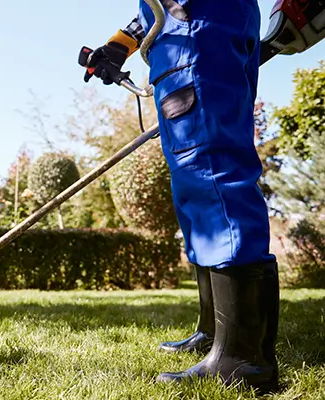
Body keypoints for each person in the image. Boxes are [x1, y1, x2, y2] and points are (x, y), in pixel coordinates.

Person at [83, 0, 280, 393]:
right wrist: (119, 44)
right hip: (188, 28)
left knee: (210, 170)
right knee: (194, 184)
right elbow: (153, 11)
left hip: (198, 27)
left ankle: (242, 356)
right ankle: (215, 333)